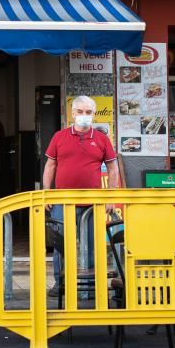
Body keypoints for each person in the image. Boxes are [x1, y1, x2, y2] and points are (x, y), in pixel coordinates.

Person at [43, 96, 120, 297]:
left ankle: (90, 286)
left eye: (88, 112)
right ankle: (61, 284)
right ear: (73, 113)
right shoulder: (59, 137)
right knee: (61, 245)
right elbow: (50, 166)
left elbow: (113, 168)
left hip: (92, 204)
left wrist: (111, 197)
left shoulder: (102, 139)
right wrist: (47, 194)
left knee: (91, 245)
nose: (84, 116)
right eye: (80, 112)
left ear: (93, 114)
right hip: (62, 201)